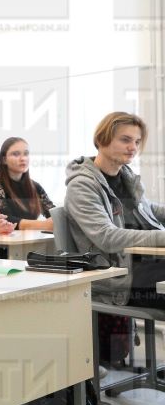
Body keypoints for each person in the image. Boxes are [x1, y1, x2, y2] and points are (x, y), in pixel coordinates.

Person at [66, 112, 165, 308]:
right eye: (125, 140)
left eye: (137, 142)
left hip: (149, 264)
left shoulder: (126, 177)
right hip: (122, 278)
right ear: (101, 140)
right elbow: (107, 237)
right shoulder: (81, 186)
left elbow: (148, 209)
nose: (133, 148)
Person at [0, 137, 55, 231]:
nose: (23, 158)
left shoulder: (35, 186)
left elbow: (54, 214)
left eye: (26, 154)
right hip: (9, 243)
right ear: (4, 160)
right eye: (16, 154)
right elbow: (4, 219)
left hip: (33, 242)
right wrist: (43, 225)